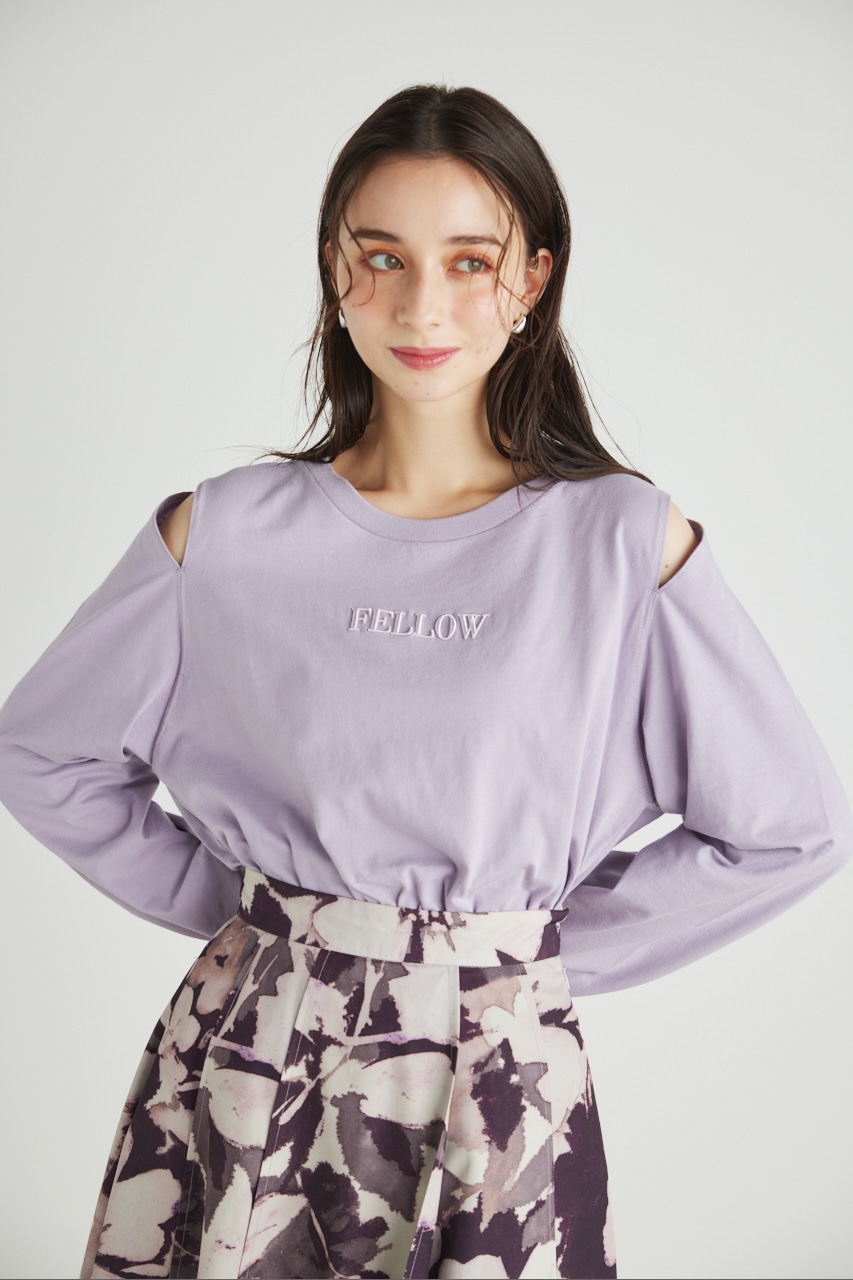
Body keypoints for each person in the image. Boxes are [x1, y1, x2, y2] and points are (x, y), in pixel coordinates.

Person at [0, 83, 849, 1280]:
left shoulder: (621, 541)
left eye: (469, 260)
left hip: (498, 1084)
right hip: (254, 1065)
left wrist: (520, 959)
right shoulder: (225, 533)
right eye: (383, 256)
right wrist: (260, 922)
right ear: (334, 270)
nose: (421, 305)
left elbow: (787, 826)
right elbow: (42, 751)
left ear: (533, 278)